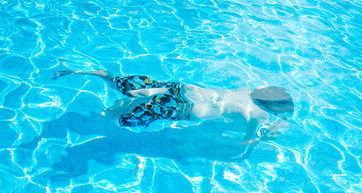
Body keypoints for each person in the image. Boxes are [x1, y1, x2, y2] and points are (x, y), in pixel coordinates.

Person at [53, 70, 294, 144]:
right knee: (118, 120)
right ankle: (121, 108)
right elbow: (245, 141)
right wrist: (267, 136)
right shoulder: (258, 114)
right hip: (186, 110)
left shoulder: (246, 89)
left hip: (186, 88)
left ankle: (86, 72)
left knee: (124, 84)